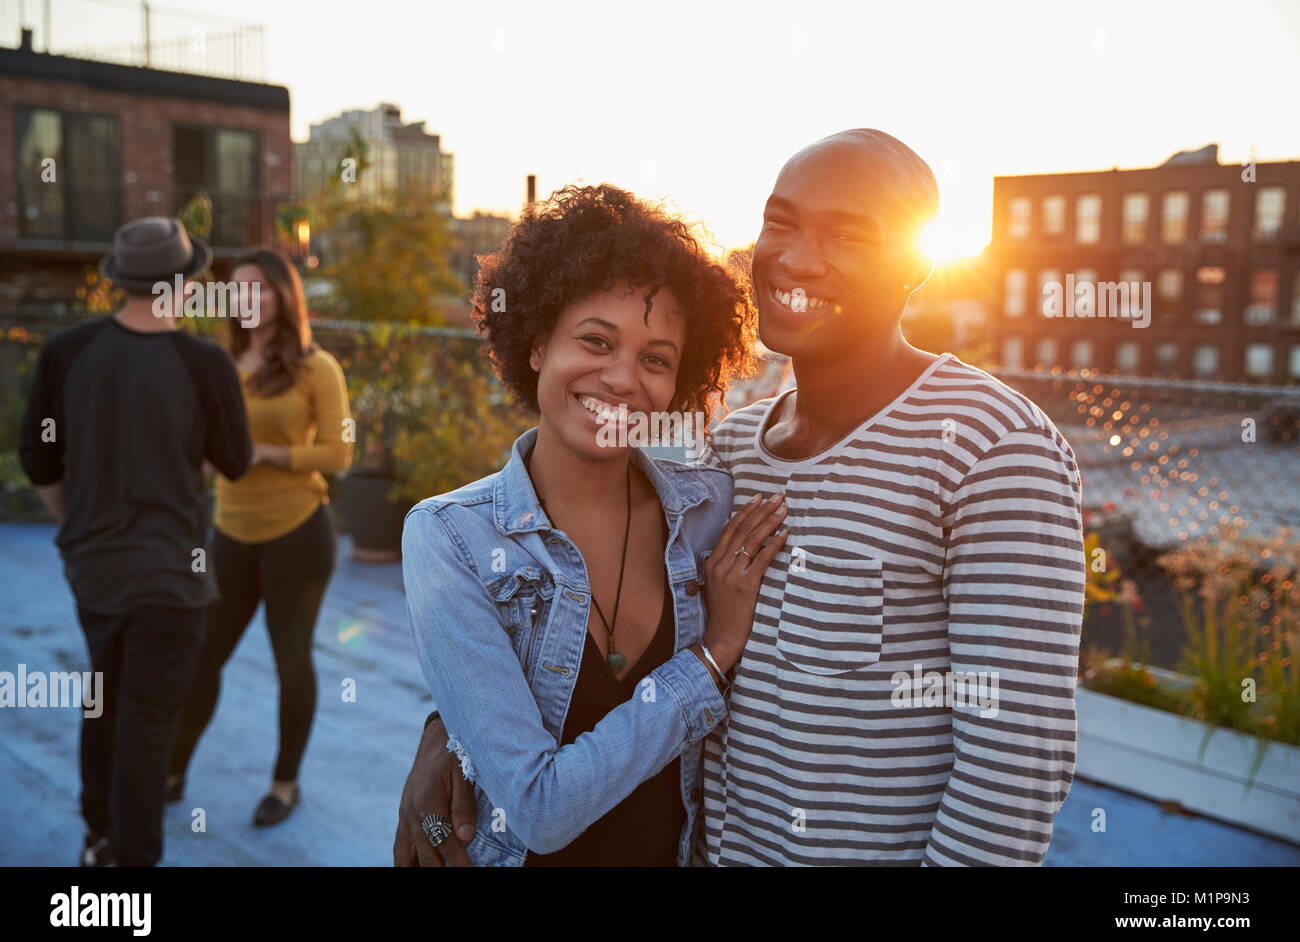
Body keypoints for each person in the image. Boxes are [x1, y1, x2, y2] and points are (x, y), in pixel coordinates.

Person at [397, 130, 1086, 867]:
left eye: (846, 235)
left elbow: (1013, 772)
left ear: (917, 262)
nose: (797, 257)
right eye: (781, 222)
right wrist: (454, 733)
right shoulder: (731, 459)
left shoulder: (992, 446)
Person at [397, 183, 785, 865]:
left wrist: (450, 727)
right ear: (538, 343)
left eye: (656, 359)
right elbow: (540, 811)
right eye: (596, 340)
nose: (622, 378)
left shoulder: (709, 513)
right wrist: (710, 657)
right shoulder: (452, 537)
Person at [19, 216, 252, 866]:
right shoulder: (204, 364)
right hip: (174, 577)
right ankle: (130, 869)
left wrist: (78, 523)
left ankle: (99, 836)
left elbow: (37, 460)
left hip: (93, 569)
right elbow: (235, 460)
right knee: (147, 728)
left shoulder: (66, 351)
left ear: (119, 280)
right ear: (184, 281)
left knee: (101, 697)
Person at [168, 248, 352, 827]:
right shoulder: (217, 364)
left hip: (297, 533)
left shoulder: (315, 366)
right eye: (237, 289)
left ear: (282, 295)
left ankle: (284, 783)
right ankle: (171, 771)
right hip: (230, 531)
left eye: (259, 288)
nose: (247, 299)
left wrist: (266, 453)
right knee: (202, 658)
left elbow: (339, 452)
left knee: (291, 662)